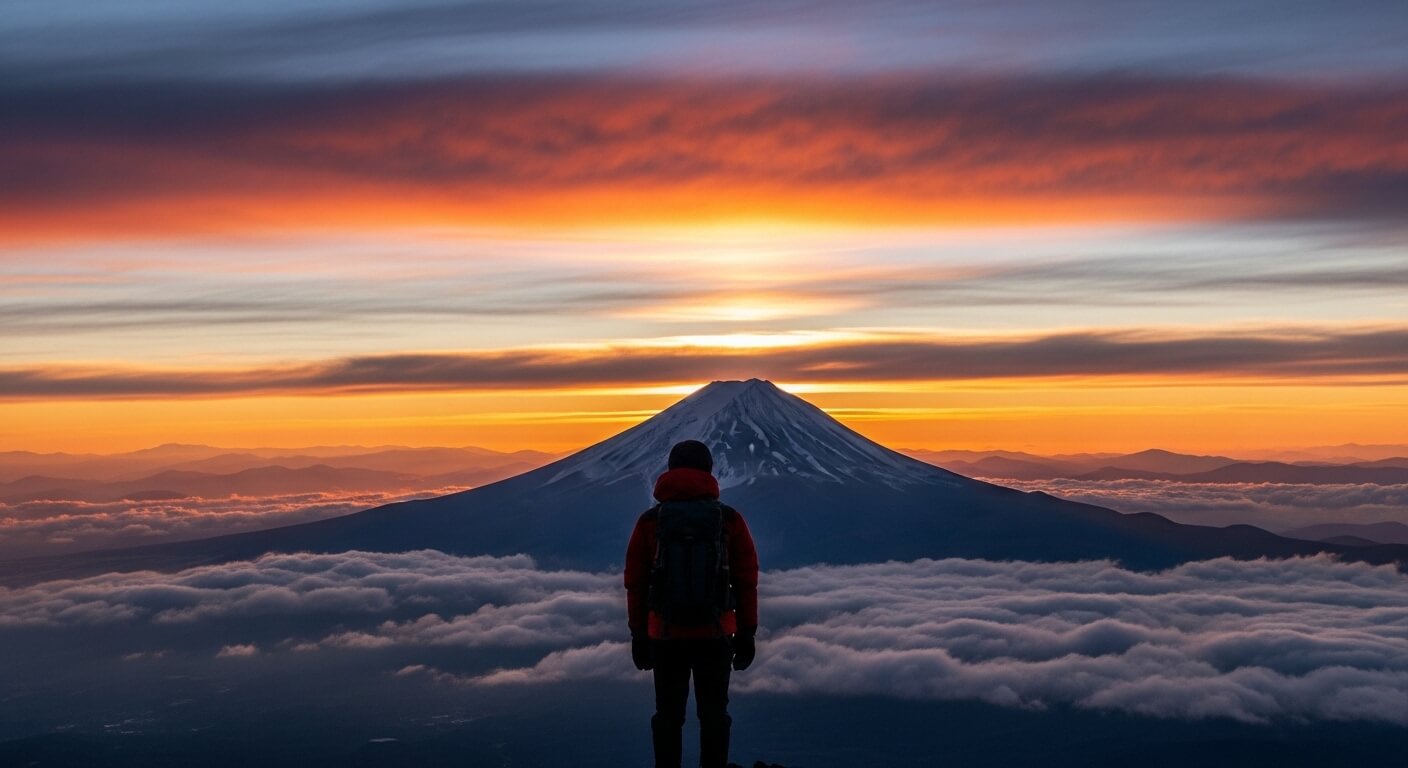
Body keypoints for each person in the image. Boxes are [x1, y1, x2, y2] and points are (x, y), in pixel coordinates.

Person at [624, 439, 760, 768]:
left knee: (668, 715)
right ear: (709, 471)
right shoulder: (728, 519)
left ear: (669, 470)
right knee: (715, 715)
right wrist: (747, 633)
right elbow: (746, 578)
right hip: (716, 633)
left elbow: (636, 582)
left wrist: (639, 635)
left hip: (665, 635)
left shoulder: (650, 521)